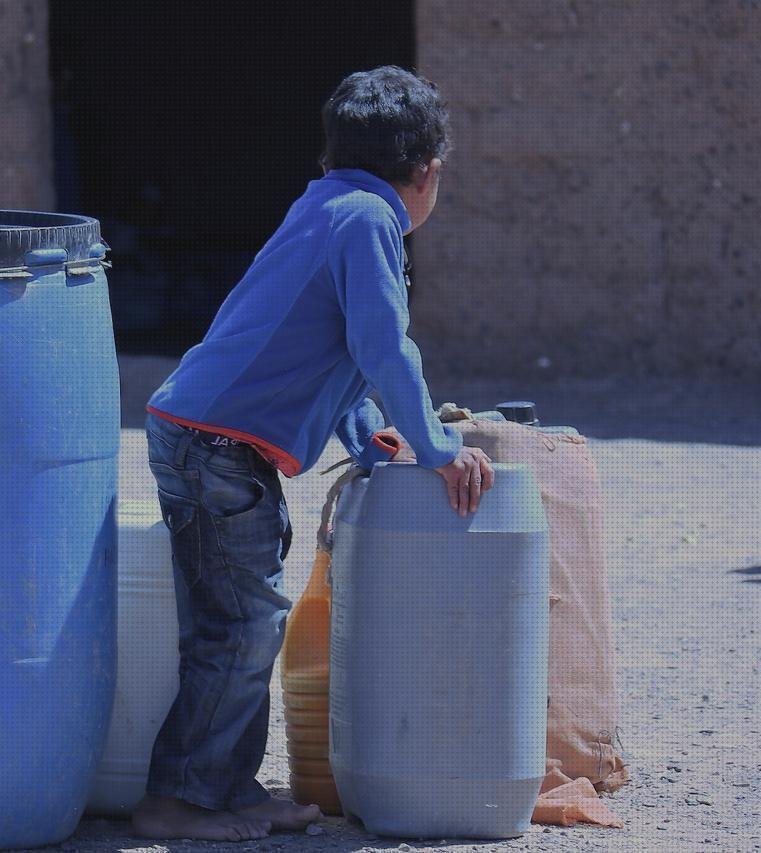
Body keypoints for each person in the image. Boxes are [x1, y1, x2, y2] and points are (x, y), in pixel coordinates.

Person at [130, 66, 495, 842]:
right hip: (215, 444)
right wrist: (438, 447)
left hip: (203, 434)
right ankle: (179, 798)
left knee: (236, 618)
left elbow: (334, 356)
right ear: (427, 173)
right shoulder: (370, 218)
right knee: (241, 625)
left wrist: (370, 439)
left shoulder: (326, 204)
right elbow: (383, 347)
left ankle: (226, 786)